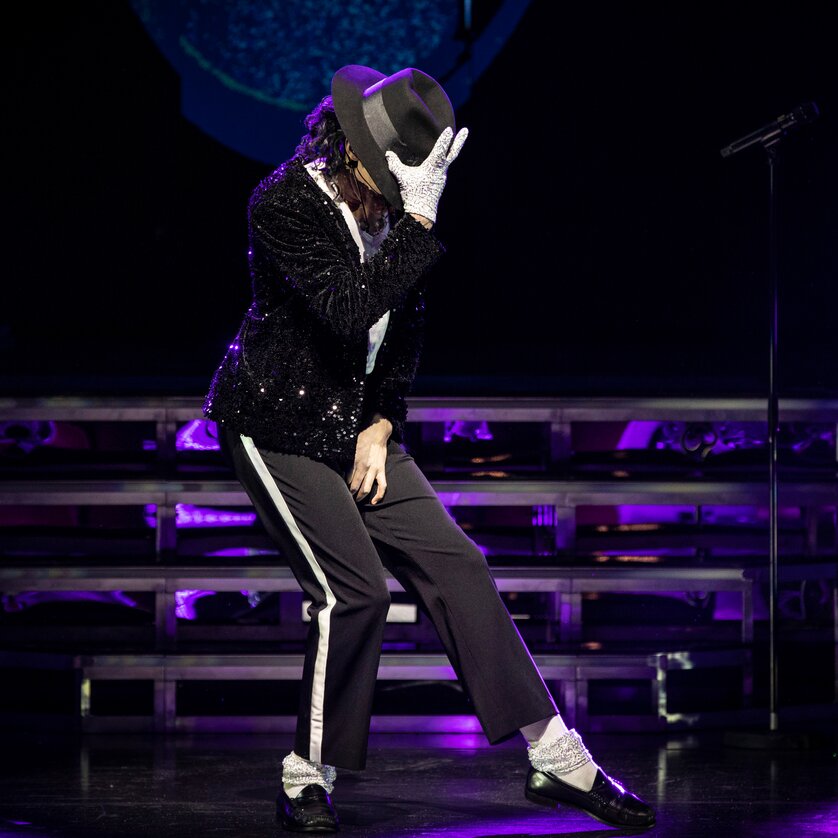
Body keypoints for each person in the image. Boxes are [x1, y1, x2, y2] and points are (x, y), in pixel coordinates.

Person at [202, 64, 655, 833]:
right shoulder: (282, 202)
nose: (400, 187)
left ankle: (556, 757)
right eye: (389, 172)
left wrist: (381, 426)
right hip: (275, 424)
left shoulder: (396, 214)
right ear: (350, 151)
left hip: (355, 427)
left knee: (459, 564)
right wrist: (415, 226)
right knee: (355, 593)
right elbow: (349, 311)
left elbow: (400, 334)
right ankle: (307, 775)